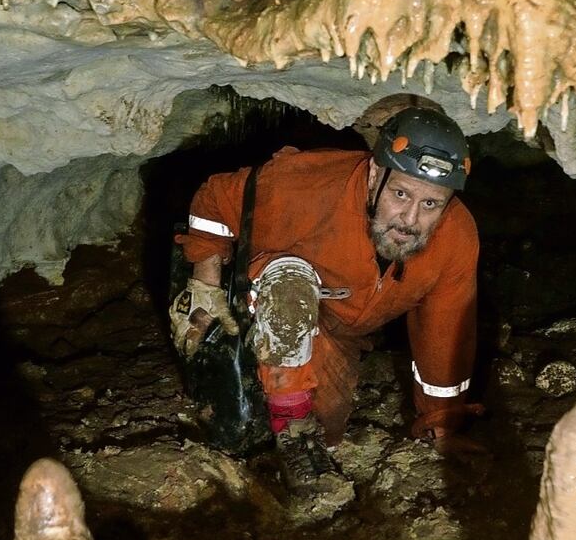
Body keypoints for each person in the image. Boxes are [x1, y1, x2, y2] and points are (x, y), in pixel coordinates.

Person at [169, 106, 483, 490]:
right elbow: (215, 199)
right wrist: (205, 287)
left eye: (431, 204)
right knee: (290, 282)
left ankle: (292, 424)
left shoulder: (456, 238)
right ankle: (290, 429)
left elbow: (444, 334)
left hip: (335, 329)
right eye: (401, 194)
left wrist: (441, 424)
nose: (410, 219)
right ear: (374, 175)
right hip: (259, 304)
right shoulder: (305, 186)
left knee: (329, 428)